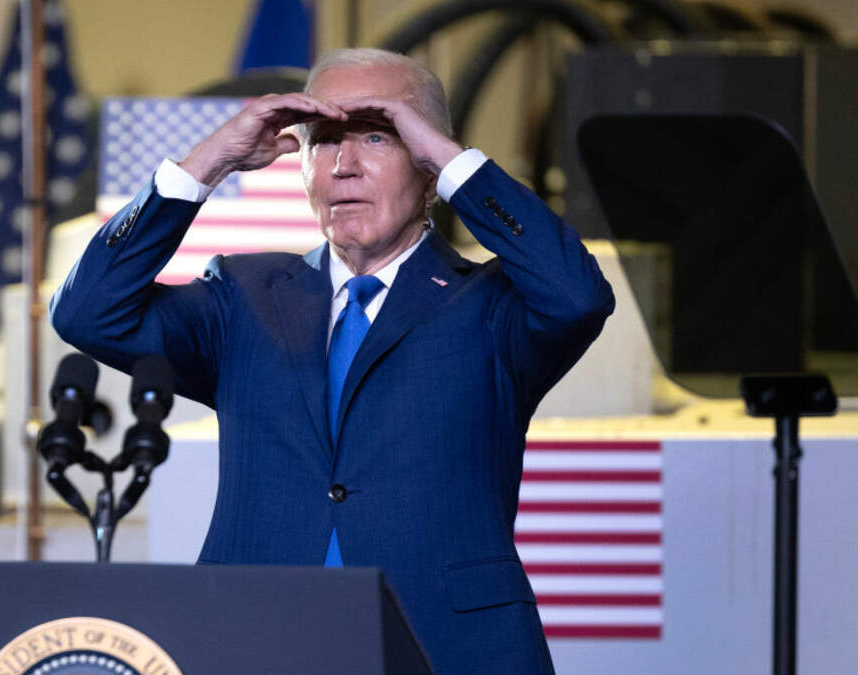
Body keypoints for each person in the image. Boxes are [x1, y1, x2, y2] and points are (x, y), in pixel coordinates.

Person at [50, 48, 614, 673]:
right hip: (258, 640)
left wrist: (456, 163)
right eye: (323, 141)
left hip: (447, 646)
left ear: (429, 167)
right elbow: (88, 312)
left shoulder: (492, 308)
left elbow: (579, 296)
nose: (344, 165)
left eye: (377, 136)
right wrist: (207, 163)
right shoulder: (243, 297)